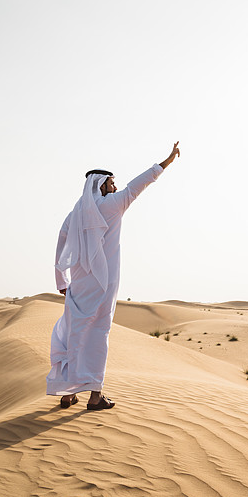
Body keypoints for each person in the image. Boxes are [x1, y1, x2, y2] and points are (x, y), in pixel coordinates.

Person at [47, 141, 181, 410]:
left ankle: (68, 392)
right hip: (103, 283)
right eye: (111, 183)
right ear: (101, 184)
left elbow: (61, 242)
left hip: (78, 285)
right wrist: (166, 162)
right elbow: (138, 186)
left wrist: (62, 281)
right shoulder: (112, 205)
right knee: (98, 334)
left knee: (75, 334)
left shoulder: (75, 214)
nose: (115, 187)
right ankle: (94, 395)